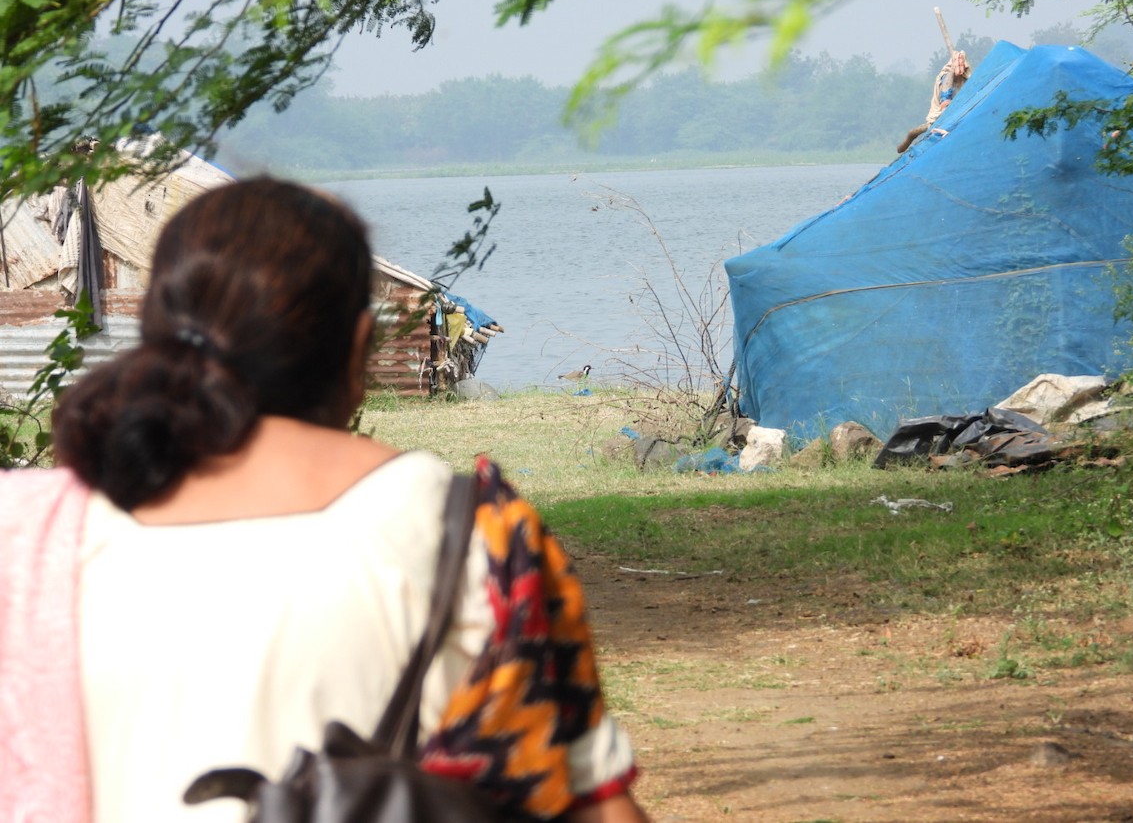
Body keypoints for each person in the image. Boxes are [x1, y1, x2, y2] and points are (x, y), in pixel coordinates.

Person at [0, 178, 650, 823]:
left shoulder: (26, 537)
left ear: (156, 335)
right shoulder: (472, 537)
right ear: (359, 347)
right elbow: (595, 809)